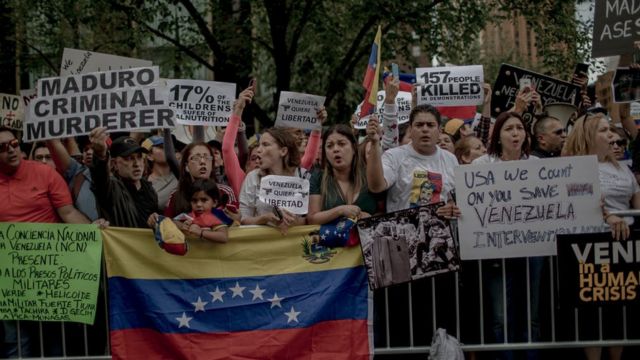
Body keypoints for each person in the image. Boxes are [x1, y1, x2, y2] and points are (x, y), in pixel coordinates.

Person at [0, 127, 91, 358]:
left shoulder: (44, 173)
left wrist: (95, 232)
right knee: (16, 345)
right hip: (9, 281)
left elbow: (68, 214)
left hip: (49, 276)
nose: (11, 150)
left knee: (54, 344)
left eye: (14, 144)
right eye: (2, 148)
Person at [562, 112, 638, 360]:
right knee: (591, 311)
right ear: (589, 135)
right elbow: (579, 199)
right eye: (604, 130)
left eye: (611, 130)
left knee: (618, 310)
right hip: (589, 244)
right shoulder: (573, 164)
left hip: (622, 244)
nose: (611, 135)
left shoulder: (621, 166)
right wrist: (608, 216)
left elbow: (634, 200)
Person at [472, 112, 542, 359]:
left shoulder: (538, 165)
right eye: (509, 129)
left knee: (531, 312)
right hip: (495, 249)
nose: (515, 133)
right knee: (500, 314)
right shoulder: (482, 166)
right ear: (498, 136)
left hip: (532, 249)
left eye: (520, 128)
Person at [366, 104, 459, 217]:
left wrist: (451, 206)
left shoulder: (451, 159)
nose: (425, 129)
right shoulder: (394, 156)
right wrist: (375, 143)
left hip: (439, 231)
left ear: (439, 130)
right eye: (419, 125)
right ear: (410, 130)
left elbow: (455, 199)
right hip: (403, 232)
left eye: (430, 125)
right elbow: (376, 186)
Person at [307, 124, 379, 225]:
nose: (335, 149)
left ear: (354, 148)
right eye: (329, 146)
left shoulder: (369, 175)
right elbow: (312, 219)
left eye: (341, 144)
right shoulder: (318, 177)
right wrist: (340, 211)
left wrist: (370, 218)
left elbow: (385, 210)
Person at [239, 127, 307, 231]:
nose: (258, 150)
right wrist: (263, 219)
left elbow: (309, 219)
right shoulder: (253, 178)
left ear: (283, 151)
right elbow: (243, 219)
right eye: (259, 145)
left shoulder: (303, 176)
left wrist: (294, 220)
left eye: (265, 144)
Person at [89, 127, 159, 228]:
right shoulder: (111, 189)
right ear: (114, 164)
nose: (136, 164)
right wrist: (100, 155)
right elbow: (100, 177)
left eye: (139, 157)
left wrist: (155, 221)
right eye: (128, 158)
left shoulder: (149, 190)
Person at [175, 179, 229, 243]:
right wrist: (183, 226)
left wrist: (200, 232)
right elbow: (173, 221)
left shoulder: (217, 215)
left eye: (204, 200)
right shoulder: (190, 215)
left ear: (214, 203)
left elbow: (223, 237)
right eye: (194, 200)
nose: (198, 204)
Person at [141, 135, 178, 211]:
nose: (168, 149)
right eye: (161, 147)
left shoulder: (182, 175)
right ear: (149, 156)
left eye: (169, 146)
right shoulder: (144, 184)